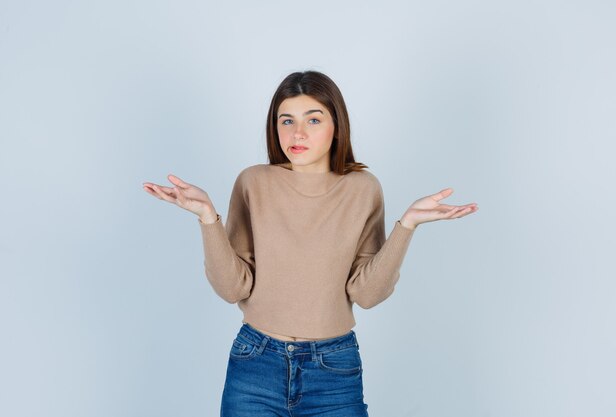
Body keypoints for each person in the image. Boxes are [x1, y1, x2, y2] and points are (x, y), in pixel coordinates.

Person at [142, 70, 478, 416]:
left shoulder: (362, 189)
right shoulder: (253, 183)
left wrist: (406, 226)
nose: (297, 133)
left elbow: (367, 294)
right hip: (255, 363)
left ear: (337, 126)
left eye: (313, 119)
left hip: (333, 368)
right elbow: (232, 288)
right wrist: (207, 218)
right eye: (286, 120)